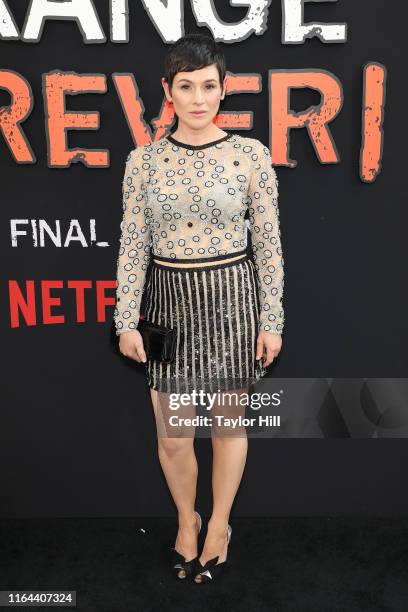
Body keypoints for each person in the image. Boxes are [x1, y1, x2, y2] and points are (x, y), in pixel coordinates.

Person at [113, 33, 285, 583]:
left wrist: (271, 319)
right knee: (174, 434)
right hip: (167, 309)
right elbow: (133, 245)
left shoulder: (249, 155)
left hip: (233, 303)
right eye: (185, 86)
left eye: (208, 86)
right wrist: (125, 318)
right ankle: (186, 519)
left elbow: (269, 245)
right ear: (167, 90)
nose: (197, 98)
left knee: (227, 428)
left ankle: (219, 524)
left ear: (223, 88)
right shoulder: (143, 162)